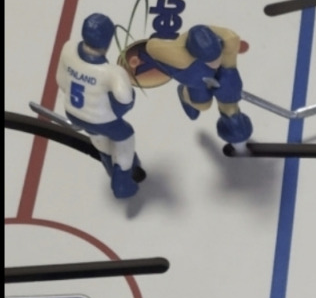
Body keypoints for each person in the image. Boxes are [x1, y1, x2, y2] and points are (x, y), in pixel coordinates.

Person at [56, 13, 145, 199]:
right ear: (109, 41)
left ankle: (108, 161)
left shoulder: (68, 48)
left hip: (72, 111)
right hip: (101, 119)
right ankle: (122, 180)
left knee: (98, 136)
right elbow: (125, 100)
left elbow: (61, 81)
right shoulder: (112, 73)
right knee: (125, 134)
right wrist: (113, 109)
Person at [142, 24, 253, 144]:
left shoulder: (228, 40)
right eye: (210, 61)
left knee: (230, 86)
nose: (215, 63)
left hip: (220, 61)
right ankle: (184, 94)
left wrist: (230, 78)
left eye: (216, 57)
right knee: (202, 104)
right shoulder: (181, 59)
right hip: (194, 71)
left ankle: (231, 118)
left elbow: (229, 61)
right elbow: (151, 46)